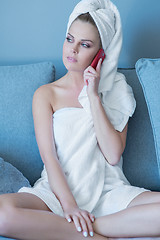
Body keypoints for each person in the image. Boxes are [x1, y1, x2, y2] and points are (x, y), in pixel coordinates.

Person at [1, 0, 160, 239]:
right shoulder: (46, 94)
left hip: (110, 191)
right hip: (57, 191)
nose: (72, 49)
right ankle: (92, 230)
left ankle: (92, 229)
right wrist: (70, 207)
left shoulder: (117, 91)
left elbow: (113, 154)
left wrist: (93, 96)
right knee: (2, 213)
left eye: (84, 45)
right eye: (69, 39)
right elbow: (50, 158)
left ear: (100, 54)